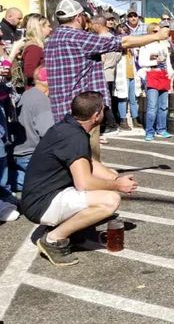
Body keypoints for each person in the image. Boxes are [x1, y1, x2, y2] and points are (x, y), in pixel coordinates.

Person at [19, 92, 138, 266]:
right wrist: (117, 185)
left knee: (109, 176)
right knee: (110, 200)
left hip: (41, 196)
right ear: (96, 115)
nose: (105, 112)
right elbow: (84, 183)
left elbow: (88, 162)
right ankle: (53, 240)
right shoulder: (75, 137)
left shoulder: (69, 126)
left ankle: (72, 231)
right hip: (41, 204)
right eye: (103, 109)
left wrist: (115, 177)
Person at [45, 0, 169, 159]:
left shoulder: (51, 40)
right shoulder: (78, 37)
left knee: (66, 158)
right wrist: (157, 36)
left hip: (59, 110)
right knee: (85, 160)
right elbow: (124, 41)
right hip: (82, 112)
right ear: (78, 18)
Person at [12, 66, 52, 193]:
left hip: (19, 153)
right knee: (52, 182)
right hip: (31, 155)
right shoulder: (42, 101)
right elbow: (48, 133)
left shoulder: (27, 94)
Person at [138, 23, 174, 142]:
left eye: (159, 31)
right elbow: (141, 62)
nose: (157, 33)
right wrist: (155, 62)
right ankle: (150, 131)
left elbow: (168, 62)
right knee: (152, 106)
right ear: (149, 32)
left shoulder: (164, 44)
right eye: (155, 31)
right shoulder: (145, 46)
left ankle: (161, 129)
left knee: (163, 106)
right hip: (152, 75)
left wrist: (170, 74)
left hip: (164, 75)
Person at [20, 14, 52, 85]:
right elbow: (29, 72)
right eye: (48, 26)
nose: (51, 29)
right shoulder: (34, 48)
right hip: (37, 88)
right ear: (40, 28)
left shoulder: (38, 46)